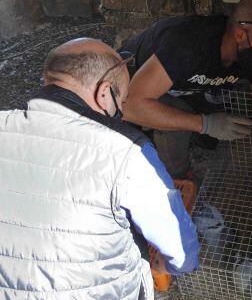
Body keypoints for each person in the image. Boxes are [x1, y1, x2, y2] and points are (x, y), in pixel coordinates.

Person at [0, 38, 200, 300]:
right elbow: (179, 246)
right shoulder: (125, 150)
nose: (122, 115)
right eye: (122, 103)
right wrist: (173, 265)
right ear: (104, 93)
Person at [121, 0, 252, 183]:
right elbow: (130, 106)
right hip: (129, 84)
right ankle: (175, 177)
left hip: (180, 83)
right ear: (240, 35)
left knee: (211, 138)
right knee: (177, 129)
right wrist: (206, 124)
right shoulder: (189, 43)